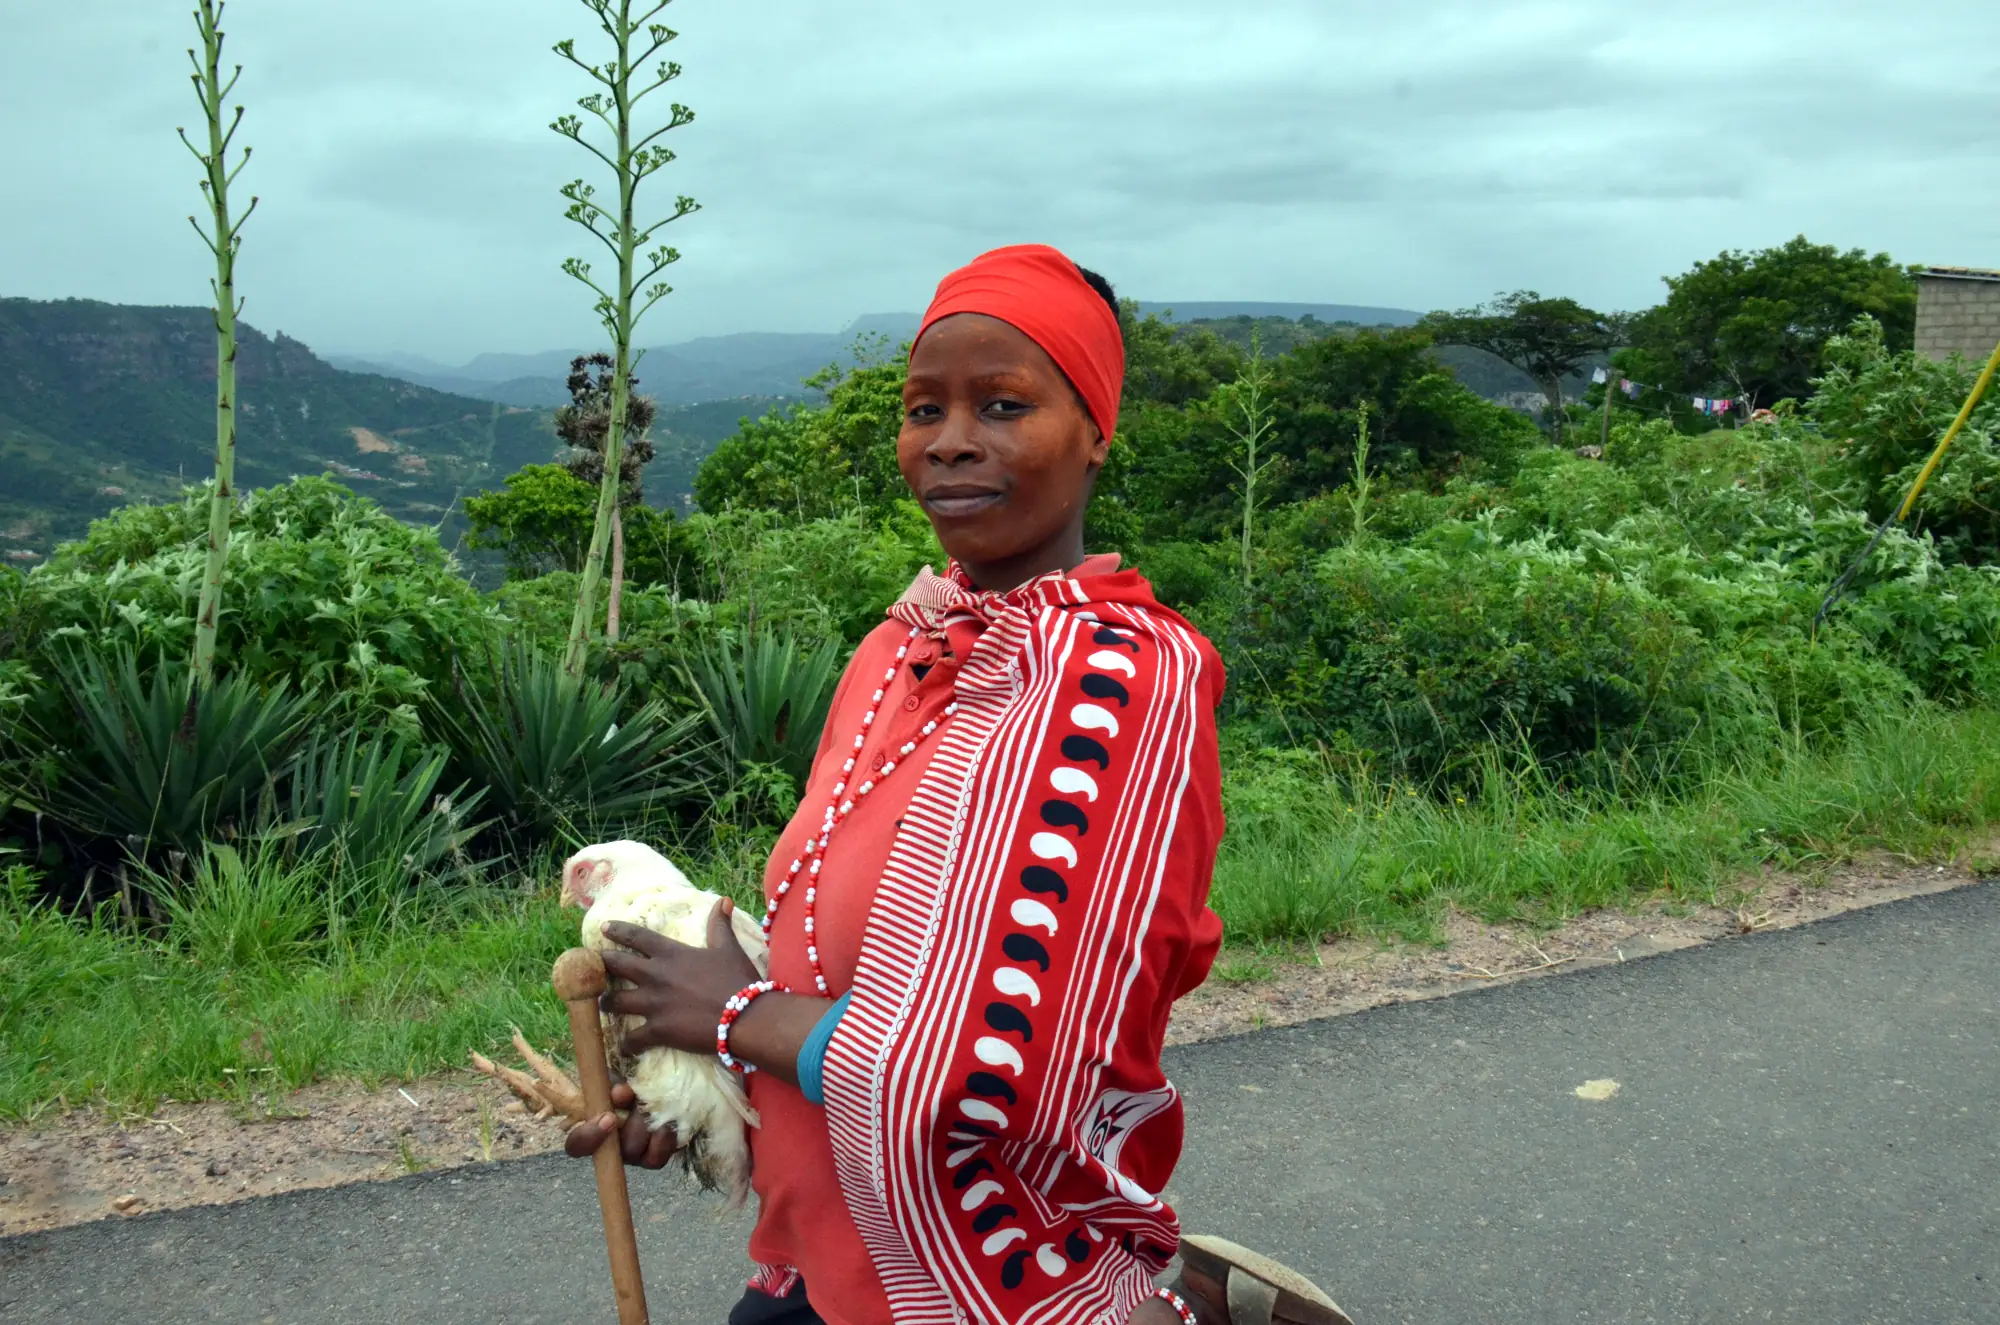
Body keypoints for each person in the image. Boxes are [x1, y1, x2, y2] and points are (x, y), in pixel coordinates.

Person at [565, 245, 1348, 1325]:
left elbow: (996, 1066)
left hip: (988, 1272)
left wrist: (735, 1012)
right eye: (923, 408)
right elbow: (830, 954)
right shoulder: (898, 648)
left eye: (1003, 404)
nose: (949, 440)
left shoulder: (1127, 683)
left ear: (1095, 432)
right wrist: (699, 1093)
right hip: (813, 1249)